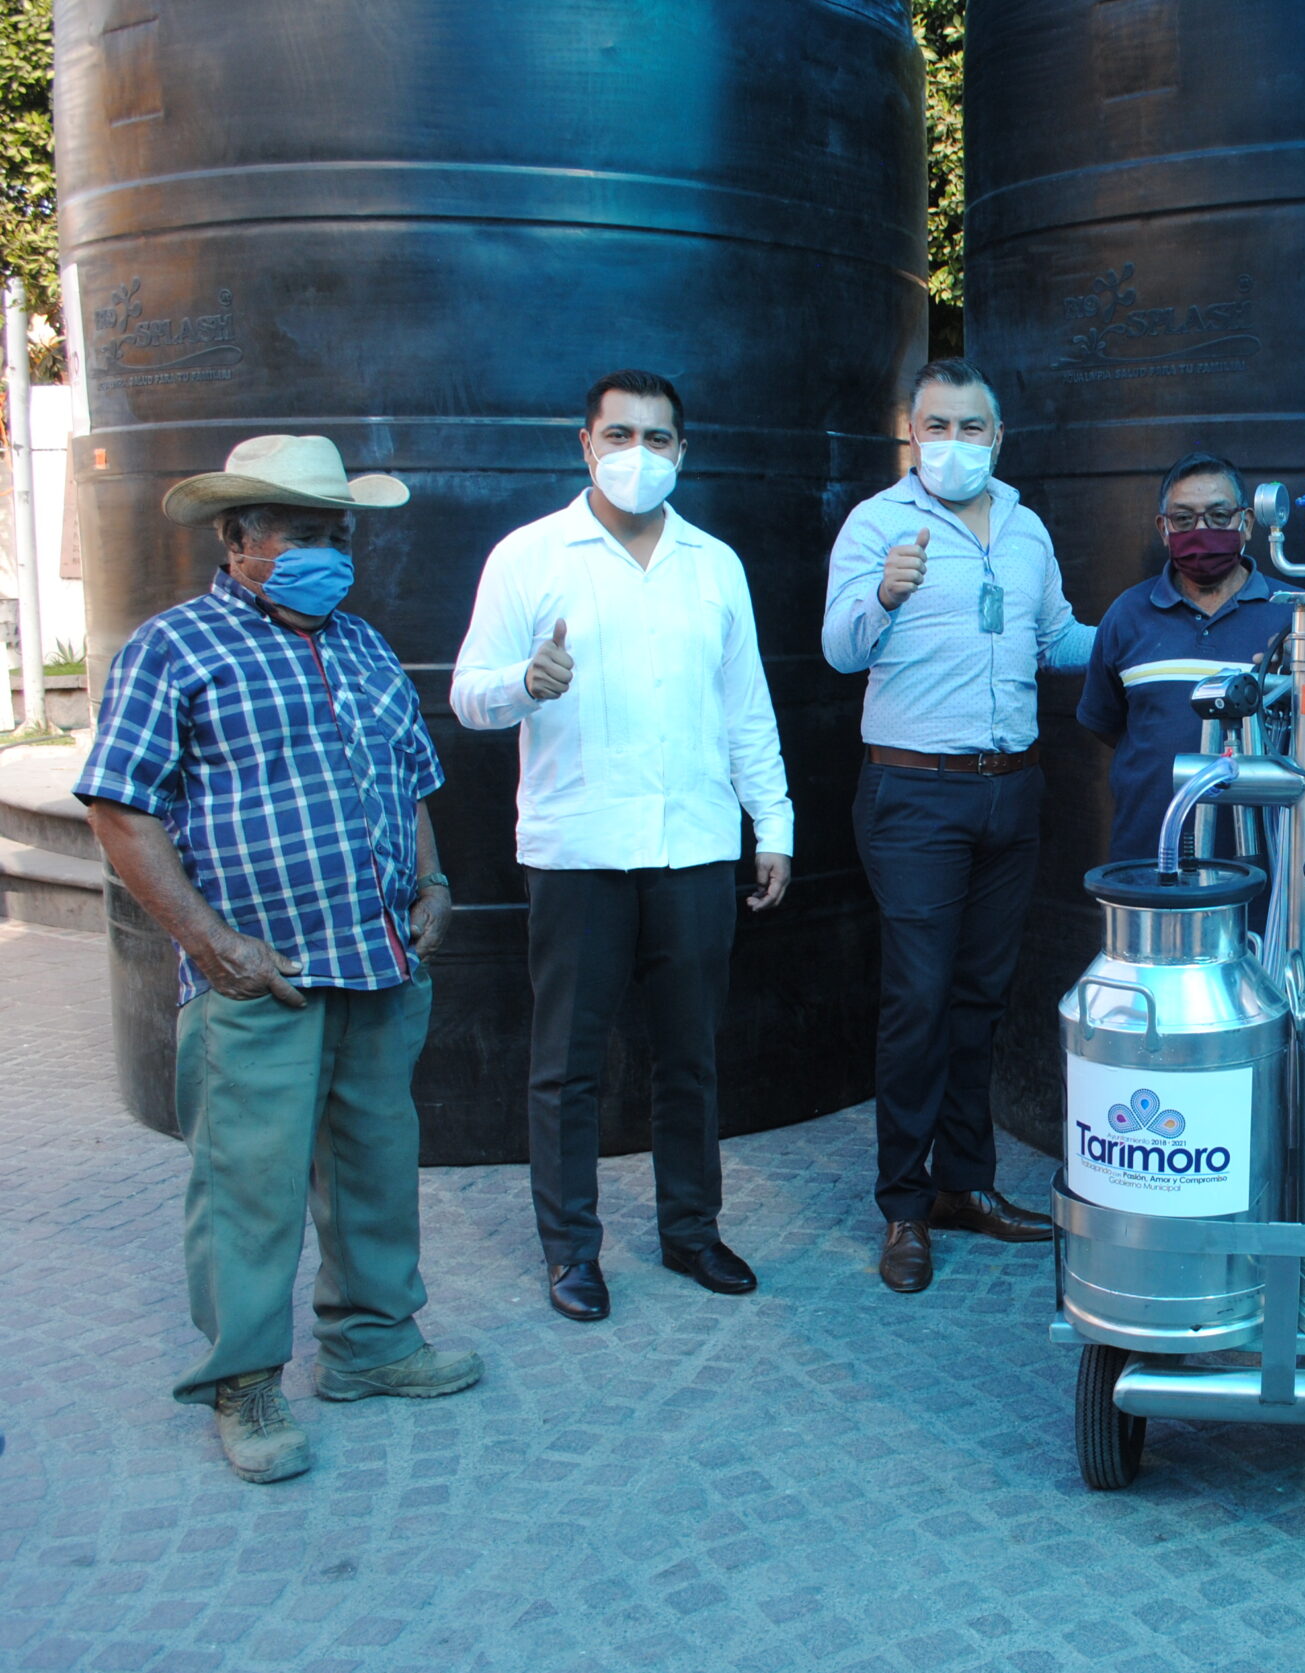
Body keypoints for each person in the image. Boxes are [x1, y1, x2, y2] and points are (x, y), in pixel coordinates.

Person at [77, 434, 482, 1484]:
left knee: (374, 1169)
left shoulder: (365, 646)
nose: (329, 555)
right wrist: (212, 945)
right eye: (304, 535)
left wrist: (433, 883)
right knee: (247, 1188)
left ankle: (372, 1345)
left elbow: (409, 781)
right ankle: (245, 1382)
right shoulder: (175, 648)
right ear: (238, 538)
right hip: (260, 976)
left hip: (378, 962)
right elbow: (120, 810)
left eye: (338, 535)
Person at [452, 371, 794, 1323]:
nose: (637, 454)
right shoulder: (529, 557)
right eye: (619, 435)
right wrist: (524, 682)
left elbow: (747, 707)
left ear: (683, 450)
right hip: (579, 850)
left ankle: (691, 1230)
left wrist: (772, 826)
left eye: (657, 437)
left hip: (693, 846)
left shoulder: (713, 565)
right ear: (585, 444)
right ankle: (571, 1250)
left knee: (691, 1054)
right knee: (568, 1064)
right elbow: (468, 694)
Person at [822, 358, 1095, 1293]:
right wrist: (884, 595)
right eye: (935, 426)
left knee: (979, 1000)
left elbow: (1058, 641)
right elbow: (838, 649)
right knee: (919, 1000)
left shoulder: (1024, 528)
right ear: (911, 434)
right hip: (915, 795)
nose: (952, 443)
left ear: (997, 436)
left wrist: (1154, 630)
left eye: (969, 427)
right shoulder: (877, 525)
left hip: (1010, 790)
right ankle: (905, 1206)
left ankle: (965, 1187)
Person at [1079, 453, 1291, 862]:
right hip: (1148, 862)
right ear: (1164, 528)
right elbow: (1111, 726)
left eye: (1219, 516)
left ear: (1247, 522)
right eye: (1183, 519)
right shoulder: (1127, 614)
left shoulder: (1292, 615)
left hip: (1261, 869)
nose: (1202, 531)